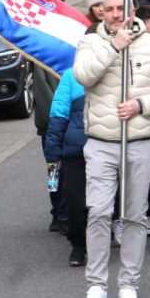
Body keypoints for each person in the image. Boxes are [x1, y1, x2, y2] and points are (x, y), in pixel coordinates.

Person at [73, 0, 150, 298]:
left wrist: (141, 104)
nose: (115, 13)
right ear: (100, 13)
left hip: (139, 141)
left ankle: (128, 284)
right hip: (101, 142)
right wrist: (113, 46)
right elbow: (84, 76)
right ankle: (96, 287)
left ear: (133, 9)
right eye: (108, 9)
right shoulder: (91, 41)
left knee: (135, 215)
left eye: (121, 7)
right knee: (98, 211)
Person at [44, 68, 89, 266]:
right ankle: (78, 244)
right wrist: (53, 150)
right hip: (75, 150)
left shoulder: (117, 70)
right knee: (75, 201)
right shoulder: (72, 75)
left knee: (103, 204)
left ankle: (98, 243)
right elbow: (59, 111)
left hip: (107, 147)